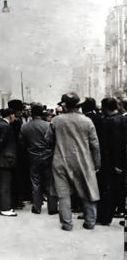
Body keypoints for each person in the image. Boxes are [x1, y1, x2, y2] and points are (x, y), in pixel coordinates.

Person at [50, 92, 100, 231]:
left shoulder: (56, 120)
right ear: (78, 105)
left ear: (64, 105)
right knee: (87, 190)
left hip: (60, 159)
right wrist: (96, 163)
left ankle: (67, 223)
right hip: (83, 160)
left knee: (63, 194)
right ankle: (90, 222)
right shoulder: (87, 121)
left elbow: (49, 141)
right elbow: (94, 145)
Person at [20, 103, 58, 215]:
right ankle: (52, 208)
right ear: (42, 113)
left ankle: (37, 207)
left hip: (33, 157)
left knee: (35, 182)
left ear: (31, 113)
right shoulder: (48, 125)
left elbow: (22, 143)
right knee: (50, 182)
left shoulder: (25, 126)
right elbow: (53, 141)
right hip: (47, 156)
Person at [96, 98, 127, 225]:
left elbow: (113, 145)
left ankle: (105, 218)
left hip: (111, 162)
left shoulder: (109, 122)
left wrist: (115, 164)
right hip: (120, 161)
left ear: (105, 108)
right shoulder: (122, 119)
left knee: (108, 190)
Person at [0, 108, 18, 216]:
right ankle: (4, 207)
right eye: (14, 115)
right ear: (11, 115)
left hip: (0, 159)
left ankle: (1, 206)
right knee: (5, 184)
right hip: (5, 159)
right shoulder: (6, 127)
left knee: (1, 183)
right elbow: (1, 143)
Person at [8, 99, 30, 208]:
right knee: (17, 178)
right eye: (19, 110)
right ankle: (17, 201)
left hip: (17, 153)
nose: (21, 112)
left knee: (18, 177)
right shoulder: (16, 123)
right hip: (18, 153)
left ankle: (19, 199)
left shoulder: (15, 121)